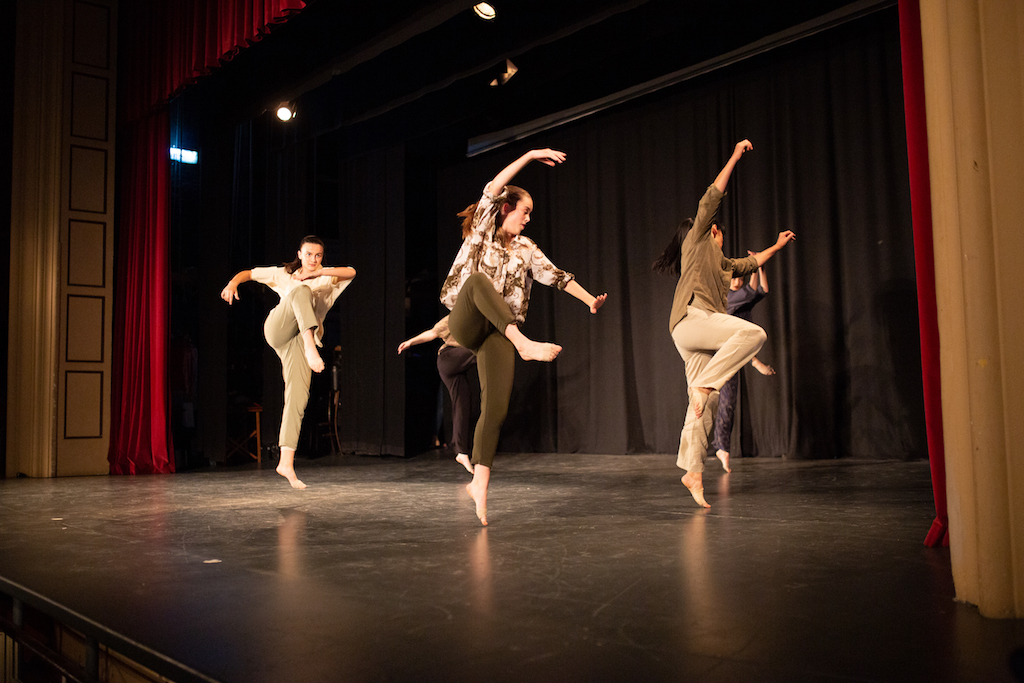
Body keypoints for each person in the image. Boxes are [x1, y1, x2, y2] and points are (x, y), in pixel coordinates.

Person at [440, 148, 608, 525]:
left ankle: (479, 484)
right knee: (479, 282)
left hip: (500, 330)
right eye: (524, 211)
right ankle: (523, 343)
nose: (528, 219)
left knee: (496, 408)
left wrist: (589, 302)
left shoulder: (525, 249)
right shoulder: (483, 230)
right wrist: (530, 155)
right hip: (466, 321)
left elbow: (556, 276)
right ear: (505, 209)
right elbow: (492, 188)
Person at [652, 140, 794, 508]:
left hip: (694, 336)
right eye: (722, 233)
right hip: (691, 319)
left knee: (705, 404)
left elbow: (752, 263)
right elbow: (711, 198)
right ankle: (704, 385)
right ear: (714, 231)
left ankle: (693, 472)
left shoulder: (725, 264)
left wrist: (776, 247)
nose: (723, 237)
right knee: (753, 333)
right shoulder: (698, 240)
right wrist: (734, 157)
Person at [221, 236, 356, 489]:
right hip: (279, 331)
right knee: (300, 291)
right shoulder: (284, 274)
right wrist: (232, 283)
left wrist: (319, 273)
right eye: (308, 254)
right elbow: (249, 273)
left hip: (298, 345)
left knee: (298, 397)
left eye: (318, 255)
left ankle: (285, 462)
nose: (313, 259)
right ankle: (310, 344)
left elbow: (351, 272)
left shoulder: (326, 277)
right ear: (299, 254)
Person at [711, 262, 777, 473]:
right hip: (726, 353)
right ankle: (721, 447)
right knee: (726, 401)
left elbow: (763, 290)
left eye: (740, 278)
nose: (737, 282)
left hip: (737, 351)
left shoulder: (743, 299)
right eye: (734, 278)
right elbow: (751, 290)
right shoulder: (729, 298)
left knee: (728, 401)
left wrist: (760, 268)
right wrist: (755, 266)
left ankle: (721, 446)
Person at [398, 315, 477, 474]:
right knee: (484, 349)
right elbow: (432, 333)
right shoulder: (453, 317)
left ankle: (461, 452)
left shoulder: (479, 318)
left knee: (463, 406)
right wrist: (411, 342)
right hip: (448, 358)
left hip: (456, 370)